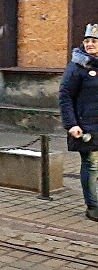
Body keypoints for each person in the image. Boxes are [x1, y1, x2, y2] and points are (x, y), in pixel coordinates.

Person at [59, 23, 98, 222]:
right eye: (87, 41)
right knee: (91, 164)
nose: (90, 44)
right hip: (85, 125)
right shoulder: (77, 66)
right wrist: (71, 124)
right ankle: (93, 206)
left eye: (94, 41)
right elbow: (65, 96)